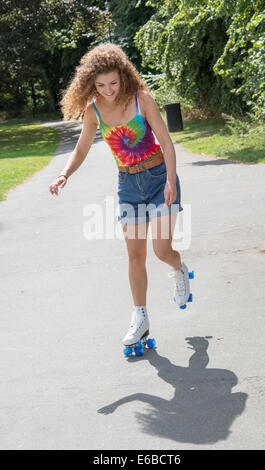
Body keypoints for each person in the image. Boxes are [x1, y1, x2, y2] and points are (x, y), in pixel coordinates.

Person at [49, 43, 191, 350]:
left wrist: (169, 181)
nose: (108, 89)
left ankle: (179, 269)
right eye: (100, 85)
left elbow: (166, 143)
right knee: (135, 256)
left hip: (157, 180)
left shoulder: (143, 100)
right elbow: (82, 147)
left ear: (123, 75)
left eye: (113, 82)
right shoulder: (94, 109)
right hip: (128, 186)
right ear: (91, 84)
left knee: (162, 251)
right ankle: (140, 317)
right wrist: (64, 174)